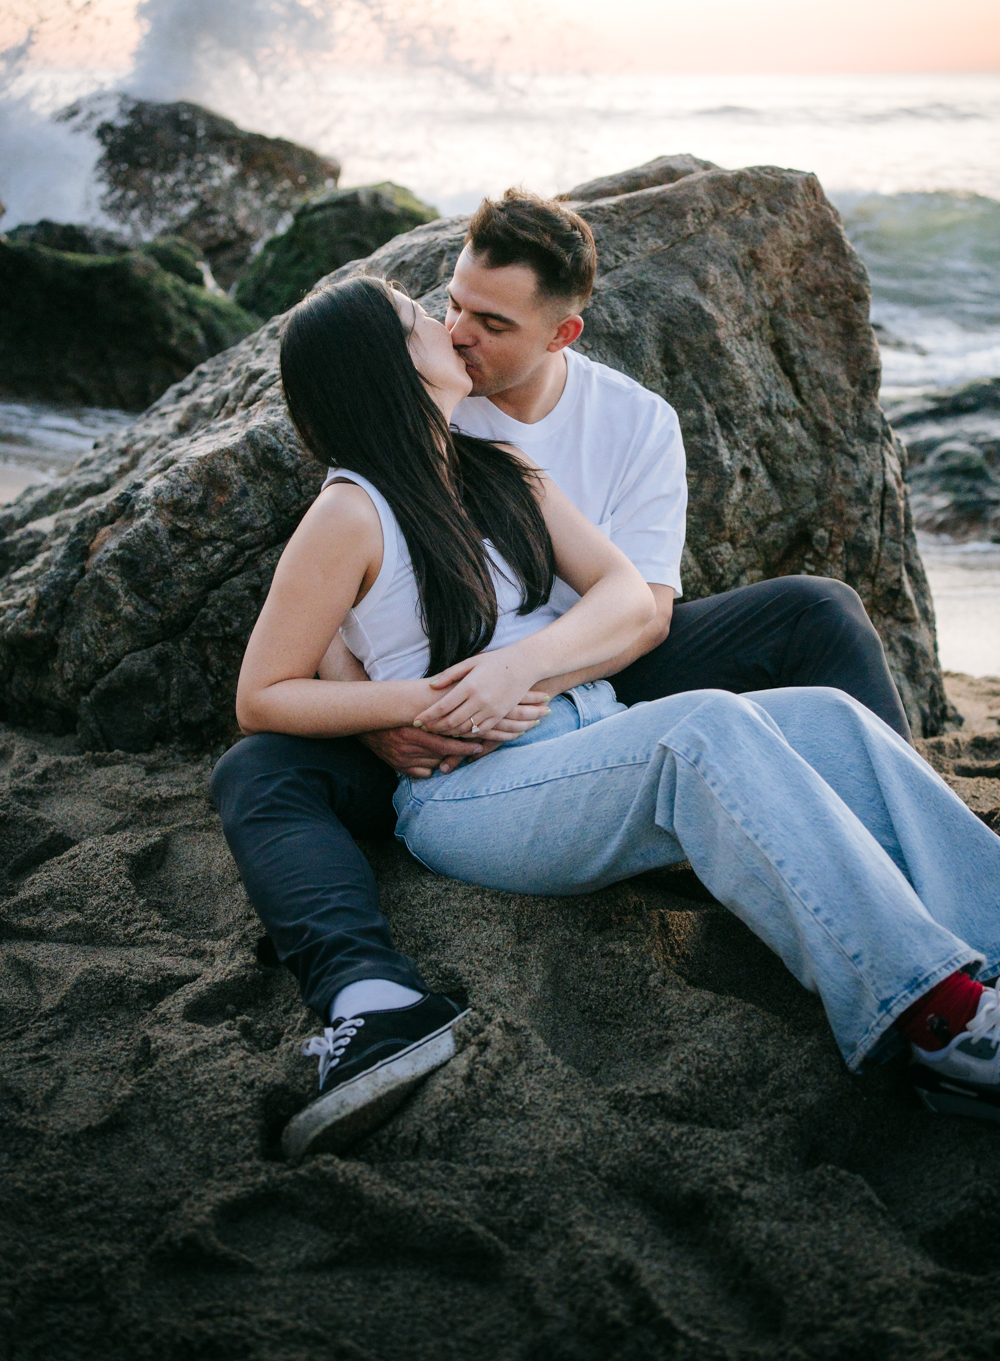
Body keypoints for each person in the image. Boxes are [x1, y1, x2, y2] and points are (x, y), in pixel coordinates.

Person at [218, 273, 1000, 1164]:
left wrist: (522, 665)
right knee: (702, 726)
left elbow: (626, 589)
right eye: (419, 319)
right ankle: (935, 1026)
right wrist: (424, 703)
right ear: (387, 368)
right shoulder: (348, 511)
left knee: (827, 719)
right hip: (472, 791)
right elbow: (263, 694)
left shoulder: (496, 473)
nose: (447, 325)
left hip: (588, 731)